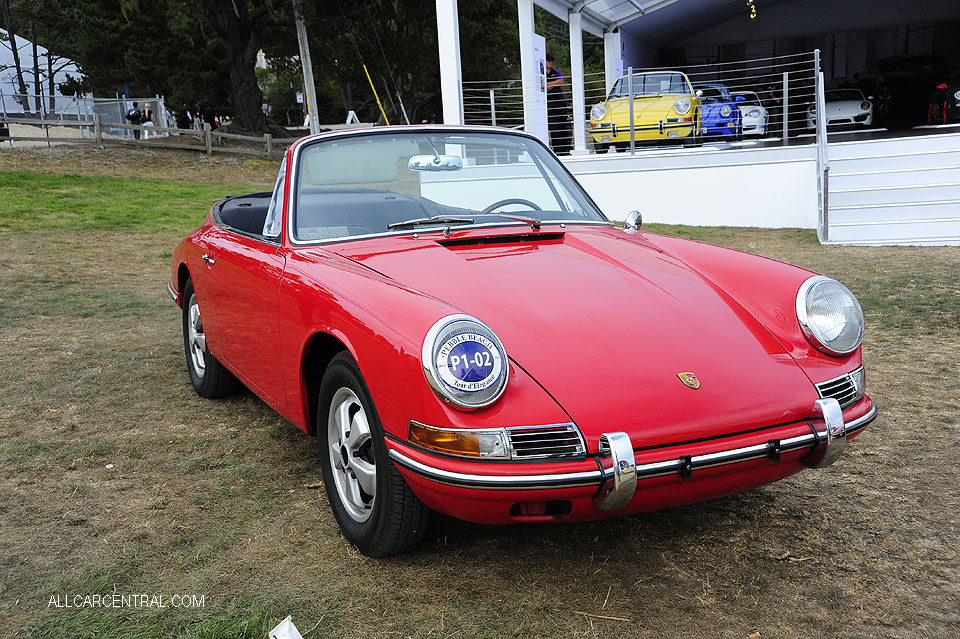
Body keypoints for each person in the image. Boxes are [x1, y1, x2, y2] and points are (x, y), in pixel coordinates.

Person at [546, 54, 572, 155]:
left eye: (551, 60)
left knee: (564, 125)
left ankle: (566, 149)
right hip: (550, 104)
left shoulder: (556, 71)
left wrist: (550, 84)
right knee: (554, 127)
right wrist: (554, 83)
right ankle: (557, 150)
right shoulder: (541, 73)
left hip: (560, 102)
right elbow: (544, 87)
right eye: (548, 60)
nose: (550, 62)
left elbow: (561, 81)